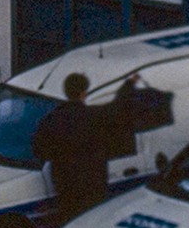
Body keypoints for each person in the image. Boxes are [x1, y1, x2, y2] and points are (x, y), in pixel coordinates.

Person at [42, 71, 133, 220]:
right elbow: (118, 110)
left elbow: (40, 150)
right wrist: (129, 84)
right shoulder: (96, 116)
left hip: (65, 186)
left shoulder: (52, 119)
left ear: (66, 91)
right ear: (84, 93)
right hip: (94, 185)